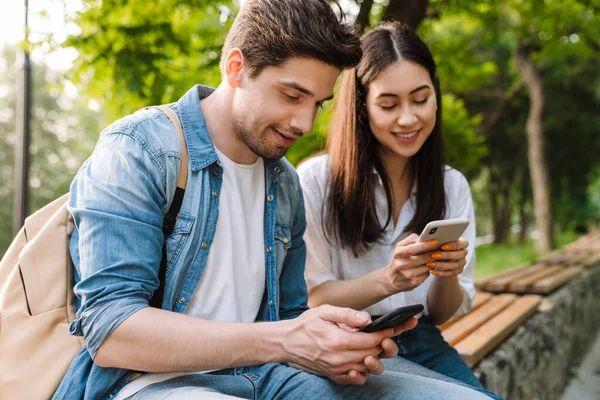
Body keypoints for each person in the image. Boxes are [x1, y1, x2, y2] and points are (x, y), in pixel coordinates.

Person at [54, 2, 494, 399]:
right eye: (291, 95)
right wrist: (286, 340)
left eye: (318, 104)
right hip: (151, 383)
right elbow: (111, 331)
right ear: (235, 67)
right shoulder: (139, 149)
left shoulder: (282, 182)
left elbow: (294, 314)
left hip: (271, 375)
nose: (304, 123)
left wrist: (337, 347)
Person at [298, 22, 501, 400]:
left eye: (420, 99)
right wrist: (389, 280)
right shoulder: (316, 181)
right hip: (348, 341)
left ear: (436, 97)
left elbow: (440, 314)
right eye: (389, 105)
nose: (408, 119)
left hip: (420, 336)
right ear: (362, 107)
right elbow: (313, 300)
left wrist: (448, 274)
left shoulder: (451, 184)